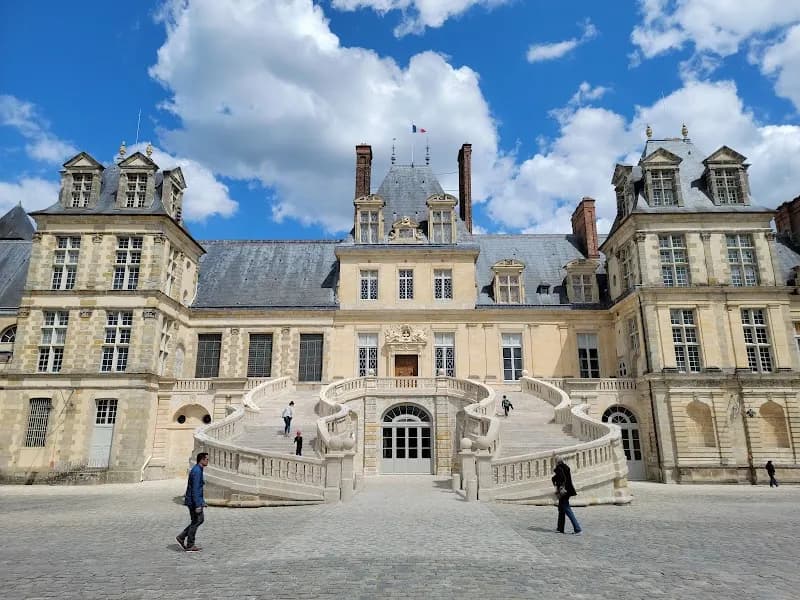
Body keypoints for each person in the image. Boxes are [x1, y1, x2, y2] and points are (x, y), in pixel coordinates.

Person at [176, 452, 209, 552]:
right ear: (201, 460)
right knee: (197, 521)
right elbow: (195, 489)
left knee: (197, 520)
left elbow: (199, 489)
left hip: (195, 500)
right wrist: (198, 504)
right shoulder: (197, 471)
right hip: (193, 501)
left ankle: (182, 537)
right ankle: (189, 544)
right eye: (207, 459)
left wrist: (202, 501)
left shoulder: (198, 469)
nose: (208, 461)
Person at [551, 457, 581, 535]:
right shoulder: (566, 467)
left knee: (567, 509)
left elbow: (561, 477)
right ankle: (560, 528)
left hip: (564, 492)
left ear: (557, 462)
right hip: (568, 490)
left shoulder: (559, 468)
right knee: (561, 509)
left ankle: (577, 528)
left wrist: (557, 483)